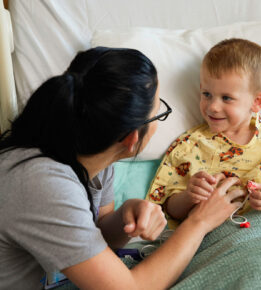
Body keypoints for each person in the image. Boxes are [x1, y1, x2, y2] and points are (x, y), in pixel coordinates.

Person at [0, 47, 245, 290]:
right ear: (130, 139)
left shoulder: (93, 151)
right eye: (158, 112)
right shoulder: (42, 183)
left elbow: (96, 238)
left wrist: (126, 214)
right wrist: (200, 222)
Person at [146, 38, 261, 229]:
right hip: (222, 236)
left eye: (227, 98)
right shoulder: (189, 145)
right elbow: (168, 209)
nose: (213, 107)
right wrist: (189, 195)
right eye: (206, 94)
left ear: (257, 102)